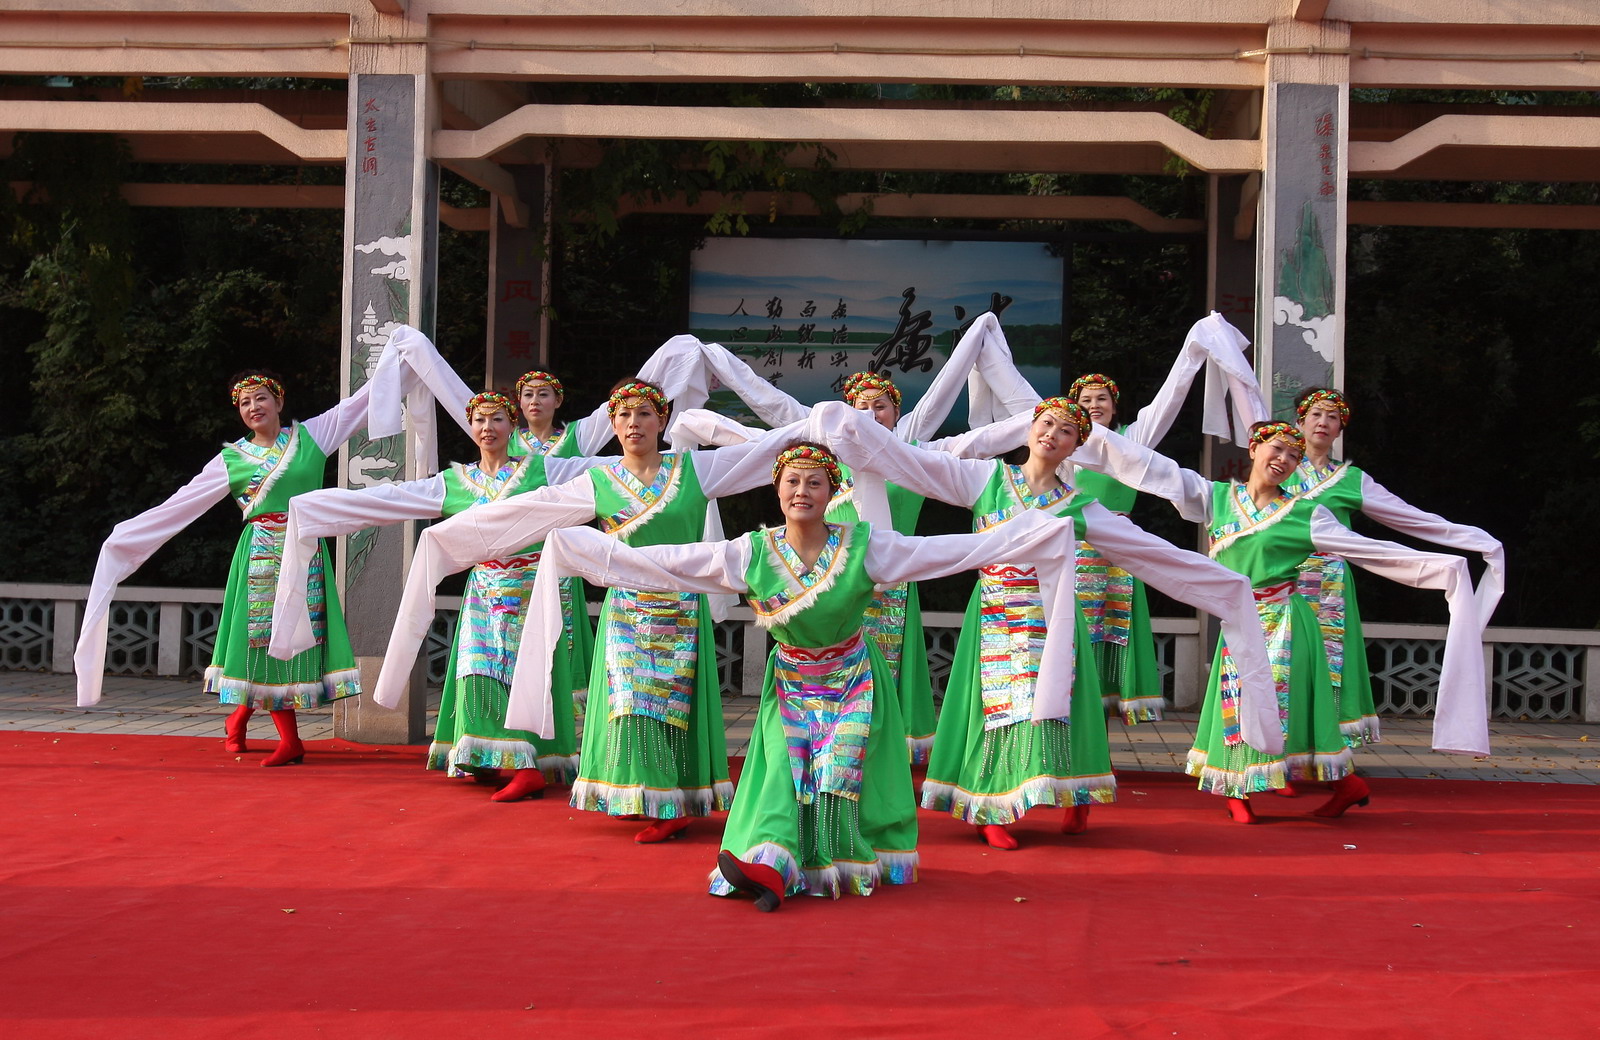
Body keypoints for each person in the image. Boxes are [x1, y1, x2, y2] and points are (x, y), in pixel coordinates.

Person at [510, 443, 1084, 909]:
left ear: (833, 493)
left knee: (836, 771)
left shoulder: (866, 548)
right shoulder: (751, 553)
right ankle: (771, 860)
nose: (802, 491)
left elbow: (951, 550)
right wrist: (588, 549)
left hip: (853, 679)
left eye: (814, 483)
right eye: (792, 482)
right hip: (790, 682)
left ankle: (831, 859)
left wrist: (1032, 534)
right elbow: (666, 563)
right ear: (777, 490)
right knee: (783, 770)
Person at [811, 400, 1280, 848]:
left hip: (1054, 618)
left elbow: (1150, 551)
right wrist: (855, 428)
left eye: (1067, 431)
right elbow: (914, 463)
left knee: (1061, 704)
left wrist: (1225, 584)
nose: (1053, 434)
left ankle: (1075, 790)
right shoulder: (987, 479)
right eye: (1047, 424)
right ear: (1030, 428)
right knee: (1000, 708)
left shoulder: (1079, 505)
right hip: (996, 614)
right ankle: (991, 806)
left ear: (1077, 446)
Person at [370, 379, 809, 843]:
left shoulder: (698, 469)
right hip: (626, 611)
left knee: (671, 704)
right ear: (612, 424)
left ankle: (672, 799)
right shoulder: (599, 481)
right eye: (624, 415)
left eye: (644, 414)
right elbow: (529, 511)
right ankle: (648, 794)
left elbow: (768, 455)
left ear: (662, 420)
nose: (634, 423)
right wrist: (449, 538)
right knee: (630, 701)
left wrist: (825, 426)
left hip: (681, 610)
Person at [1074, 419, 1491, 822]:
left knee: (1281, 705)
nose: (1284, 459)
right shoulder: (1215, 498)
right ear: (1254, 449)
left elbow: (1371, 550)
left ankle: (1308, 785)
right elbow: (1151, 468)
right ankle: (1259, 788)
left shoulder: (1305, 514)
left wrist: (1446, 567)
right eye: (1277, 449)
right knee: (1239, 698)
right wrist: (1083, 434)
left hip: (1287, 622)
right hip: (1241, 622)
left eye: (1293, 456)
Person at [671, 313, 1037, 763]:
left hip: (891, 583)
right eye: (860, 406)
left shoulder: (916, 455)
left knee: (885, 677)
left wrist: (1049, 420)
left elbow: (976, 431)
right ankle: (818, 746)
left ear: (897, 414)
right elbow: (764, 411)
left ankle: (884, 757)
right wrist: (706, 386)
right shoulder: (820, 466)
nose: (869, 414)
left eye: (880, 406)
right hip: (831, 588)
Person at [268, 388, 613, 800]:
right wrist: (317, 507)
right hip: (484, 591)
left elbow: (611, 471)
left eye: (497, 419)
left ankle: (528, 765)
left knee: (528, 674)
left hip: (531, 591)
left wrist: (671, 459)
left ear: (512, 426)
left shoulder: (545, 469)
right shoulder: (455, 482)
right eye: (480, 420)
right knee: (477, 671)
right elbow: (391, 498)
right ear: (471, 427)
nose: (488, 427)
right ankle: (488, 755)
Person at [74, 361, 414, 765]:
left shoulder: (312, 435)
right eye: (245, 402)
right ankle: (290, 740)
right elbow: (181, 504)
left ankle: (238, 719)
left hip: (305, 551)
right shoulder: (232, 459)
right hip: (261, 556)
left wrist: (403, 359)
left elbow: (361, 404)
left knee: (299, 639)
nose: (254, 407)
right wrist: (127, 537)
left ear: (279, 402)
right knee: (266, 639)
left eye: (261, 398)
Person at [1281, 387, 1505, 757]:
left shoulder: (1350, 479)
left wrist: (1476, 540)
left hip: (1331, 585)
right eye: (1316, 414)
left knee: (1330, 661)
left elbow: (1411, 517)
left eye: (1332, 417)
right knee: (1284, 659)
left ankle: (1326, 749)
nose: (1323, 422)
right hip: (1282, 578)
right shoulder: (1280, 466)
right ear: (1300, 421)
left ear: (1340, 430)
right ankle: (1279, 745)